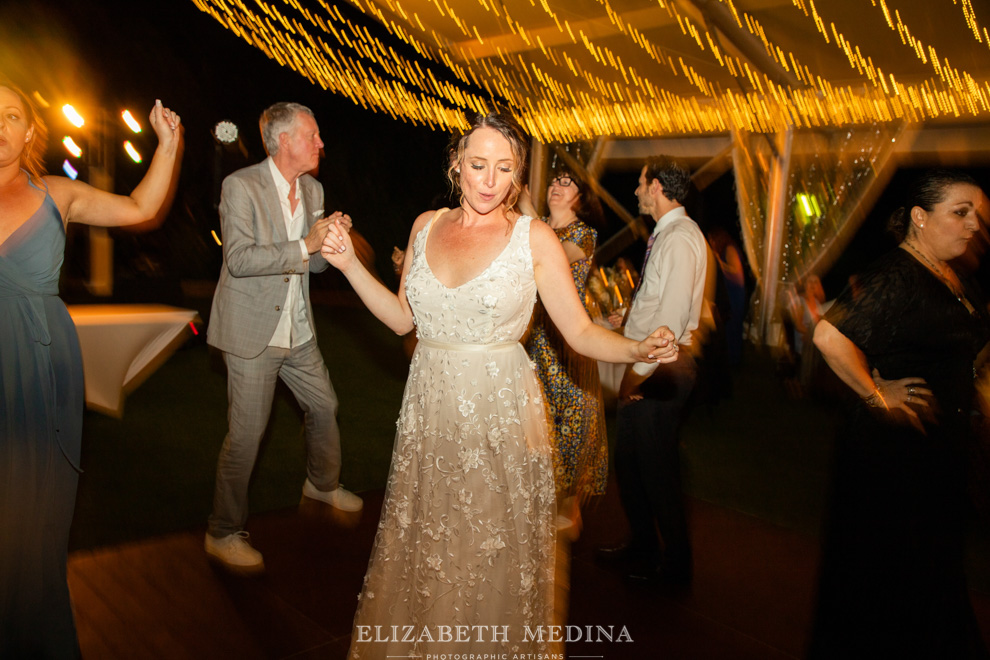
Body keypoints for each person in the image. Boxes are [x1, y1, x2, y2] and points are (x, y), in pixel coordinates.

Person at [318, 111, 678, 658]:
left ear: (518, 177)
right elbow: (399, 318)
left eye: (504, 168)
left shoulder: (533, 239)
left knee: (486, 552)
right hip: (430, 410)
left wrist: (636, 347)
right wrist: (347, 264)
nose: (489, 180)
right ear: (456, 164)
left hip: (499, 412)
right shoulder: (425, 226)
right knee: (430, 541)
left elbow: (579, 331)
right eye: (479, 164)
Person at [0, 79, 181, 657]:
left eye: (11, 114)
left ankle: (36, 633)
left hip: (41, 364)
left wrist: (168, 145)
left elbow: (140, 207)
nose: (0, 126)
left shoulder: (57, 193)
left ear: (30, 131)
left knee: (36, 513)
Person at [809, 170, 990, 659]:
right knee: (892, 572)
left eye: (979, 217)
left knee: (931, 569)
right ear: (919, 217)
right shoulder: (897, 273)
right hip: (894, 456)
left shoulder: (954, 276)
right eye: (961, 213)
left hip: (935, 450)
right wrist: (874, 394)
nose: (974, 225)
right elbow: (829, 337)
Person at [205, 101, 362, 574]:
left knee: (325, 406)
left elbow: (312, 263)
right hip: (252, 330)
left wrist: (329, 238)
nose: (320, 144)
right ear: (284, 141)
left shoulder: (313, 188)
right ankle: (222, 531)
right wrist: (305, 244)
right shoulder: (241, 186)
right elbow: (240, 259)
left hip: (298, 329)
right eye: (312, 135)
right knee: (247, 436)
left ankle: (320, 483)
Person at [598, 156, 710, 587]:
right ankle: (643, 546)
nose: (636, 191)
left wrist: (635, 375)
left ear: (658, 186)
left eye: (641, 183)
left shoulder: (680, 238)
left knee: (658, 474)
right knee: (630, 467)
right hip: (652, 364)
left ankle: (674, 569)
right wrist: (629, 316)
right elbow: (660, 303)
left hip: (661, 370)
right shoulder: (667, 236)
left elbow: (672, 320)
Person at [518, 171, 607, 533]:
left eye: (567, 183)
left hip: (566, 344)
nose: (556, 185)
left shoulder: (582, 235)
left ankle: (568, 508)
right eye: (554, 180)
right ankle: (536, 499)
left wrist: (530, 219)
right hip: (533, 339)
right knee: (533, 419)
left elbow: (552, 256)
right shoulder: (535, 228)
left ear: (581, 199)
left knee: (568, 421)